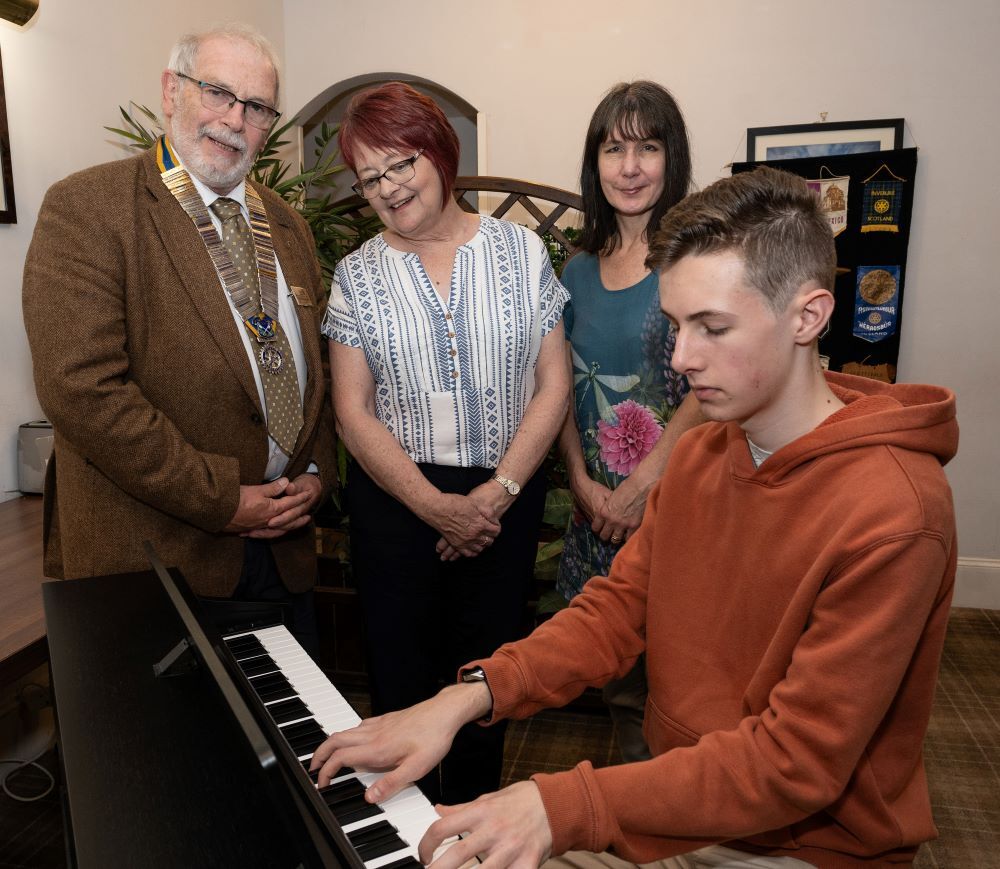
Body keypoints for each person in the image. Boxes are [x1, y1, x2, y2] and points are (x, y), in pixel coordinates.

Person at [312, 166, 959, 869]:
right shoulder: (706, 450)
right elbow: (619, 611)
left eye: (713, 327)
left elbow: (793, 762)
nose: (681, 359)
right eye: (676, 326)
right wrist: (468, 696)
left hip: (804, 845)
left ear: (807, 315)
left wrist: (558, 807)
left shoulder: (895, 510)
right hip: (684, 803)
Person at [22, 24, 335, 653]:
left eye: (257, 107)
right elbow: (82, 389)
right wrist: (222, 499)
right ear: (172, 90)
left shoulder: (288, 225)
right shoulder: (89, 206)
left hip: (283, 555)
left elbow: (316, 368)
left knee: (287, 747)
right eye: (217, 92)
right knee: (179, 751)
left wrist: (318, 474)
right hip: (156, 563)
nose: (233, 120)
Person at [322, 82, 569, 804]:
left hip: (507, 497)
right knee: (400, 682)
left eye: (400, 163)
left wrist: (495, 496)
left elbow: (552, 385)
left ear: (438, 151)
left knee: (486, 684)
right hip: (398, 508)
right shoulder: (355, 275)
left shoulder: (522, 251)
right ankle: (406, 835)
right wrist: (436, 506)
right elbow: (352, 410)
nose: (389, 188)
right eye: (370, 178)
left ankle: (474, 829)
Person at [556, 81, 703, 762]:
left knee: (683, 696)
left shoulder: (697, 260)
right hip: (598, 519)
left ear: (673, 158)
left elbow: (708, 386)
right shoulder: (576, 270)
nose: (631, 166)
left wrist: (644, 484)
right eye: (614, 148)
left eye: (648, 146)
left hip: (681, 506)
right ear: (596, 163)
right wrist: (582, 483)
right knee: (618, 695)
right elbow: (554, 385)